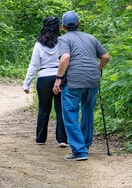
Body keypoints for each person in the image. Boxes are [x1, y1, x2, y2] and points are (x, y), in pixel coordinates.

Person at [53, 11, 110, 161]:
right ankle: (85, 144)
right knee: (87, 111)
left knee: (70, 113)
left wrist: (58, 79)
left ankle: (79, 151)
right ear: (79, 24)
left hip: (74, 80)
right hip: (92, 80)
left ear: (63, 27)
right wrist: (98, 68)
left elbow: (65, 57)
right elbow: (105, 56)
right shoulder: (91, 38)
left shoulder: (64, 39)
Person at [22, 16, 69, 147]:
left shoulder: (39, 44)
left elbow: (33, 65)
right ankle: (62, 139)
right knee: (60, 109)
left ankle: (41, 138)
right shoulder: (62, 41)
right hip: (59, 77)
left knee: (43, 109)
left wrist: (27, 83)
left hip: (43, 78)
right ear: (58, 27)